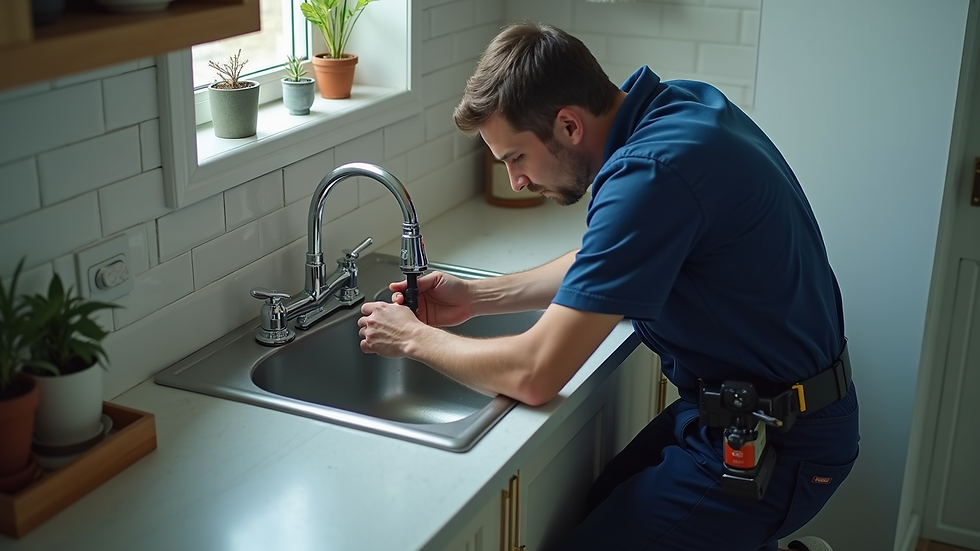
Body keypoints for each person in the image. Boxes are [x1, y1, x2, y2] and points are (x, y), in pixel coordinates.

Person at [356, 21, 858, 551]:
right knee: (603, 502)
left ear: (569, 125)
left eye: (516, 157)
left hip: (779, 442)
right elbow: (611, 255)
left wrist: (411, 337)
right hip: (741, 414)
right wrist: (478, 297)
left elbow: (535, 374)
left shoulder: (651, 173)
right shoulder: (675, 109)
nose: (516, 181)